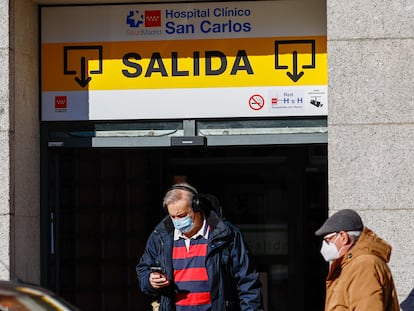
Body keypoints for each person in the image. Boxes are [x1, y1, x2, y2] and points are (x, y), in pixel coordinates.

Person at [136, 183, 264, 311]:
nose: (177, 221)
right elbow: (143, 271)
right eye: (172, 217)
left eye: (182, 216)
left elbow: (247, 283)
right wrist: (150, 281)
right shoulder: (159, 237)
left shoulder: (226, 235)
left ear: (197, 207)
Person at [315, 209, 400, 311]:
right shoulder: (350, 265)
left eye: (328, 240)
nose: (325, 245)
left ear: (343, 237)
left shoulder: (363, 266)